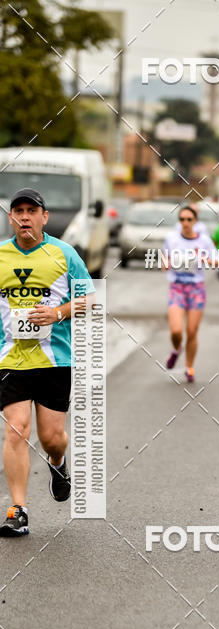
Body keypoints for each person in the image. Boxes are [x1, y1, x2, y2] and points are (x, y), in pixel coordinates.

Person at [0, 188, 93, 536]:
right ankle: (18, 509)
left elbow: (90, 300)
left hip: (54, 358)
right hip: (9, 357)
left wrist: (57, 312)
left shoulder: (64, 254)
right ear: (11, 218)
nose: (25, 217)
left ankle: (57, 462)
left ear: (44, 217)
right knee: (16, 429)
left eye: (31, 211)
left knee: (51, 437)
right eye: (18, 211)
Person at [163, 206, 216, 382]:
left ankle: (189, 367)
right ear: (179, 221)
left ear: (195, 221)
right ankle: (177, 349)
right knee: (176, 330)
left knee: (192, 331)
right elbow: (164, 259)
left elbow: (216, 262)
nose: (185, 223)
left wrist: (202, 259)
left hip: (196, 289)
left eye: (189, 219)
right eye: (182, 219)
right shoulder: (171, 239)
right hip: (177, 287)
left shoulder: (204, 241)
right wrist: (168, 262)